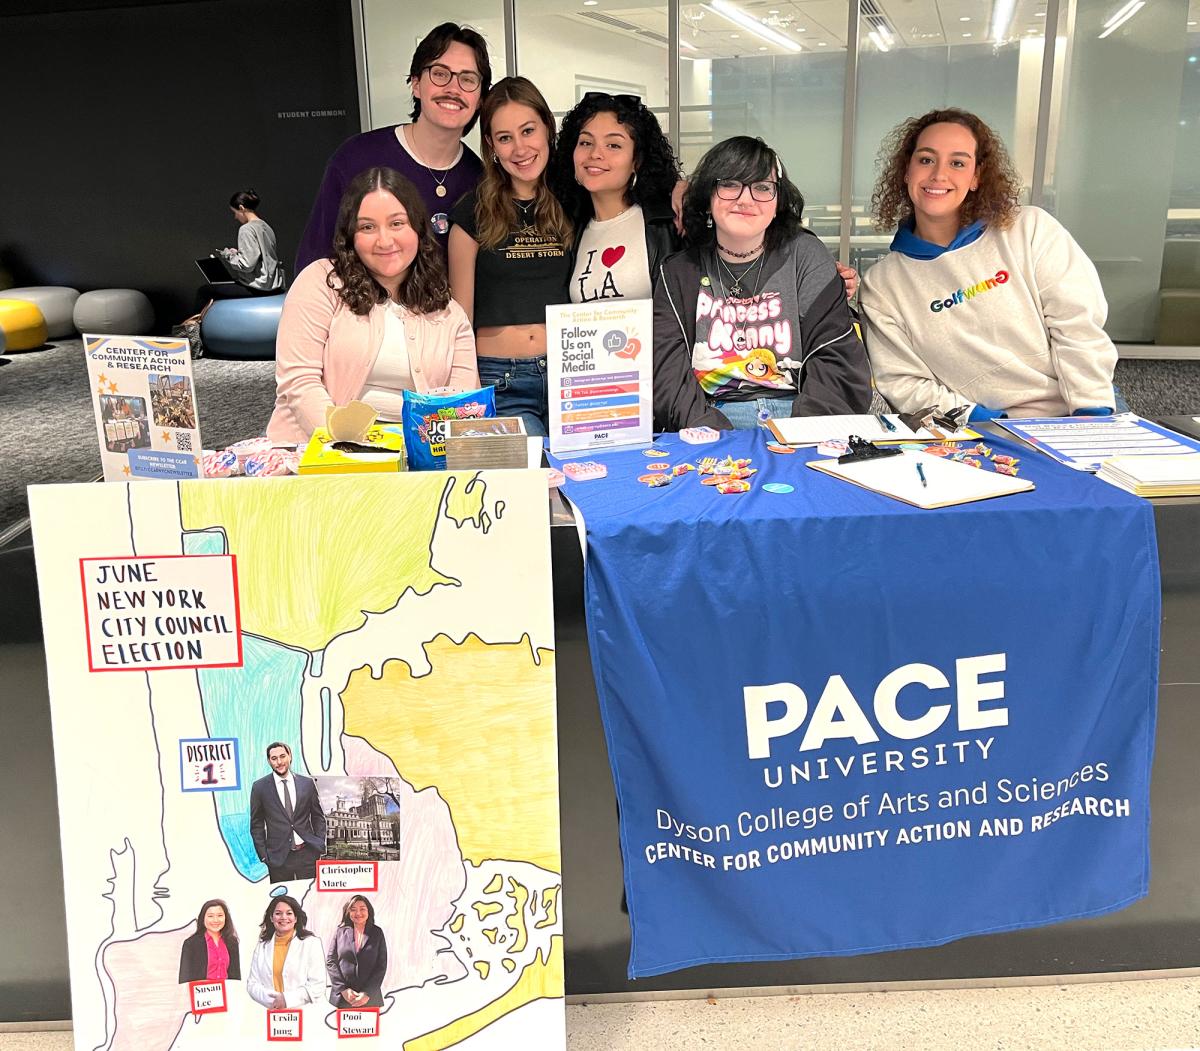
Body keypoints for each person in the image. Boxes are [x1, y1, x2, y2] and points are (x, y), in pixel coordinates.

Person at [860, 108, 1117, 421]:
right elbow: (902, 381)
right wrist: (982, 420)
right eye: (926, 159)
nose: (939, 175)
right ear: (906, 170)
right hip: (979, 429)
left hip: (1079, 412)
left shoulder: (1031, 229)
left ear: (976, 177)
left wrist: (1091, 413)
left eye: (957, 163)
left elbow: (1078, 326)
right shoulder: (883, 284)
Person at [653, 136, 872, 431]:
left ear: (777, 200)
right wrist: (711, 435)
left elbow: (836, 359)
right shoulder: (678, 272)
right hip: (712, 418)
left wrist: (803, 435)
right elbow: (667, 375)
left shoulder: (806, 256)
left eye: (762, 187)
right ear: (708, 197)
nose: (746, 199)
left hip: (801, 413)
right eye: (730, 184)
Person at [267, 168, 478, 445]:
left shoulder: (448, 310)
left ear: (417, 228)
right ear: (351, 235)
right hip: (323, 450)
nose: (385, 241)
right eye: (367, 227)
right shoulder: (320, 282)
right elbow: (299, 382)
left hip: (418, 454)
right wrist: (354, 448)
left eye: (397, 223)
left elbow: (462, 402)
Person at [295, 23, 493, 272]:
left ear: (480, 100)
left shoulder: (480, 181)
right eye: (440, 74)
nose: (453, 89)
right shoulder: (356, 159)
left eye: (468, 79)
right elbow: (315, 262)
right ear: (416, 83)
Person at [448, 77, 572, 435]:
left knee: (587, 484)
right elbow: (460, 320)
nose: (520, 149)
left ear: (547, 128)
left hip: (573, 375)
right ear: (491, 145)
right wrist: (467, 391)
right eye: (505, 138)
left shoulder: (573, 202)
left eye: (528, 131)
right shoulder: (472, 212)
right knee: (530, 482)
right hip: (501, 380)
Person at [548, 92, 683, 305]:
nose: (595, 154)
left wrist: (693, 187)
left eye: (613, 145)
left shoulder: (669, 221)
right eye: (585, 142)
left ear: (636, 161)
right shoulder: (568, 228)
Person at [248, 742, 327, 882]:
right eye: (274, 758)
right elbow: (256, 824)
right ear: (269, 761)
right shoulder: (259, 787)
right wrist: (264, 856)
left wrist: (319, 842)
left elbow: (318, 816)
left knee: (310, 899)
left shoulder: (307, 783)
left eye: (282, 756)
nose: (279, 762)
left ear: (290, 756)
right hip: (278, 859)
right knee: (283, 901)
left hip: (308, 854)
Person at [246, 895, 327, 1009]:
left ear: (296, 918)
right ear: (271, 917)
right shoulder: (262, 946)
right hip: (273, 1015)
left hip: (305, 1014)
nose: (284, 917)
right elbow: (252, 984)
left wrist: (286, 1000)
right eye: (278, 913)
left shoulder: (312, 943)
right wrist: (274, 1001)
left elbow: (318, 985)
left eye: (289, 913)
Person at [325, 895, 388, 1010]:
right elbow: (330, 961)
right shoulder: (340, 932)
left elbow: (381, 965)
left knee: (368, 1029)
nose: (358, 913)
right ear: (348, 912)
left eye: (362, 909)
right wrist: (343, 989)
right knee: (344, 1029)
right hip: (343, 998)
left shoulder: (377, 932)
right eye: (353, 909)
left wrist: (367, 993)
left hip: (370, 999)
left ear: (369, 911)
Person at [178, 899, 241, 984]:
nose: (215, 920)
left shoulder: (232, 942)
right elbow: (184, 979)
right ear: (203, 918)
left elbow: (235, 977)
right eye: (210, 916)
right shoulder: (191, 944)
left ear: (225, 918)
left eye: (220, 915)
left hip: (227, 993)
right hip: (201, 994)